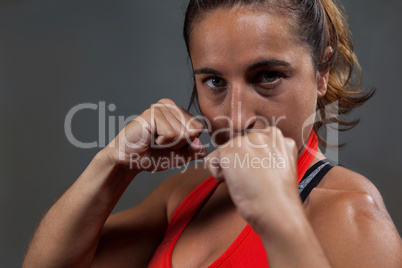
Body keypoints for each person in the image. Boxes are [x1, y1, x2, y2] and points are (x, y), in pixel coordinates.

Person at [23, 0, 402, 267]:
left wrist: (278, 217)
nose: (236, 117)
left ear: (322, 72)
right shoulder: (189, 194)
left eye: (267, 76)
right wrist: (112, 165)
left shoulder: (353, 216)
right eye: (215, 81)